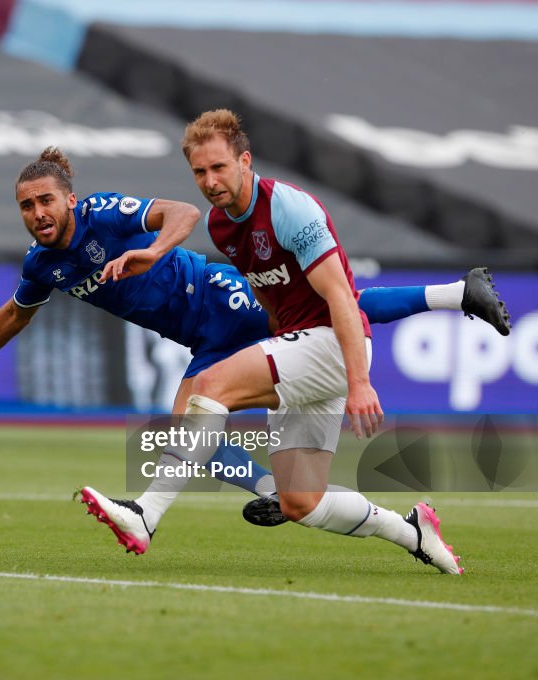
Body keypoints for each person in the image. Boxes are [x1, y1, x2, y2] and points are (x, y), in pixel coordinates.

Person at [81, 110, 472, 574]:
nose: (210, 180)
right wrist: (280, 339)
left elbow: (343, 298)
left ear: (245, 160)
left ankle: (145, 515)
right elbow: (269, 293)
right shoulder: (221, 224)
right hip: (301, 347)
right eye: (200, 172)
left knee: (209, 388)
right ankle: (414, 532)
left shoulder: (289, 208)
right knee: (300, 502)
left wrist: (359, 382)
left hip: (332, 346)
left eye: (219, 167)